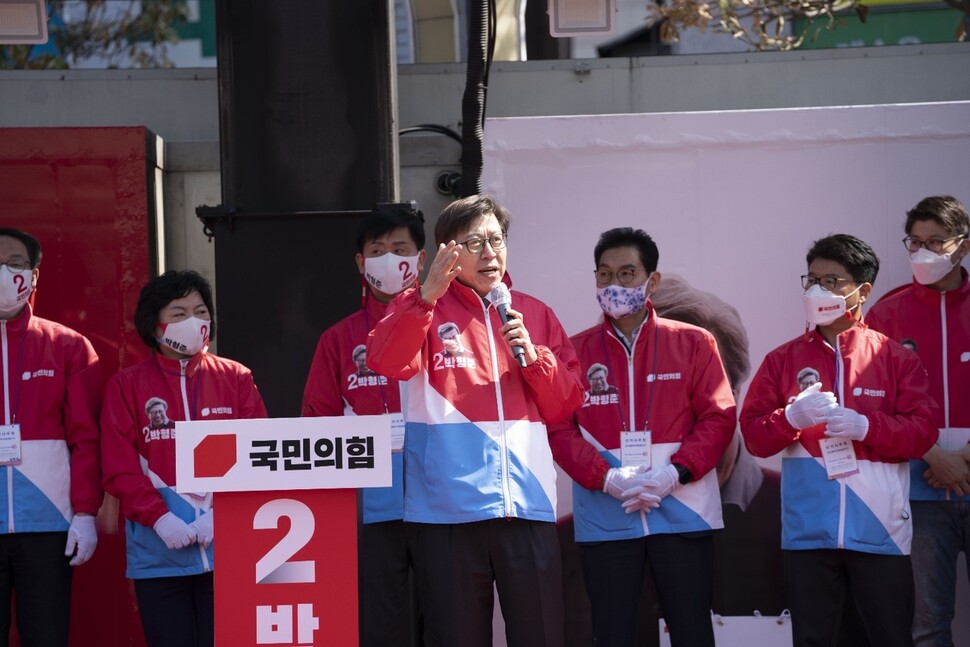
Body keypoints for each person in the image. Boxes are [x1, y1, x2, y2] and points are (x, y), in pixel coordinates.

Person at [365, 194, 583, 647]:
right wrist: (424, 298)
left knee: (541, 634)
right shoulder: (421, 308)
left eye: (496, 240)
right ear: (448, 252)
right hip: (447, 513)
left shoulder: (534, 313)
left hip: (526, 504)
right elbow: (386, 361)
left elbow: (565, 406)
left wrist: (535, 358)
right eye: (475, 242)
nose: (489, 253)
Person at [740, 233, 938, 647]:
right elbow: (755, 438)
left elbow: (921, 434)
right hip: (808, 534)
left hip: (881, 531)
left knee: (889, 637)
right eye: (811, 280)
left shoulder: (894, 358)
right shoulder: (783, 360)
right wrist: (789, 418)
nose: (817, 290)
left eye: (831, 281)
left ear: (863, 291)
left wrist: (868, 427)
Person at [547, 228, 736, 647]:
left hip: (684, 512)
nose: (615, 285)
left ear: (652, 281)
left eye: (628, 273)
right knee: (612, 634)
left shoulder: (693, 342)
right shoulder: (574, 352)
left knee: (692, 631)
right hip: (606, 518)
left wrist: (675, 474)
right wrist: (607, 478)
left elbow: (718, 418)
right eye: (604, 274)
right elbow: (559, 428)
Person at [101, 270, 267, 647]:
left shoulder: (236, 377)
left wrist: (223, 515)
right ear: (155, 327)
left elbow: (258, 454)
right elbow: (118, 466)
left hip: (227, 552)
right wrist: (159, 519)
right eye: (179, 313)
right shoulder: (126, 386)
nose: (194, 321)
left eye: (200, 311)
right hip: (158, 554)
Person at [302, 209, 427, 646]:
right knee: (381, 623)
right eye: (377, 252)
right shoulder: (337, 340)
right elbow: (317, 422)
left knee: (447, 619)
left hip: (441, 502)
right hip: (368, 508)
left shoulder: (447, 330)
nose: (389, 261)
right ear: (360, 262)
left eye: (400, 249)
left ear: (421, 258)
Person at [865, 195, 970, 647]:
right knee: (927, 625)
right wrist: (933, 455)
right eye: (915, 242)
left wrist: (963, 458)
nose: (923, 253)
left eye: (936, 242)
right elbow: (874, 402)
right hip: (918, 486)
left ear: (962, 246)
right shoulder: (887, 313)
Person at [0, 228, 103, 646]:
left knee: (46, 635)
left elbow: (87, 439)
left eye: (16, 263)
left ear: (34, 276)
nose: (4, 272)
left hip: (48, 524)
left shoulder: (68, 346)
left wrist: (84, 513)